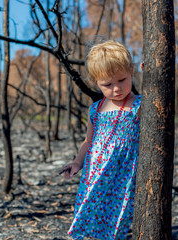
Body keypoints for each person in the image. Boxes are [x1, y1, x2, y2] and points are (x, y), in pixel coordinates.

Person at [59, 40, 143, 240]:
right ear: (96, 82)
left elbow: (160, 99)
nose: (116, 89)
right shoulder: (96, 109)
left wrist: (151, 75)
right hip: (94, 171)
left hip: (122, 174)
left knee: (118, 215)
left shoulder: (139, 104)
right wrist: (77, 162)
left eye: (122, 79)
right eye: (107, 84)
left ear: (131, 72)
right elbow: (88, 141)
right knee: (91, 208)